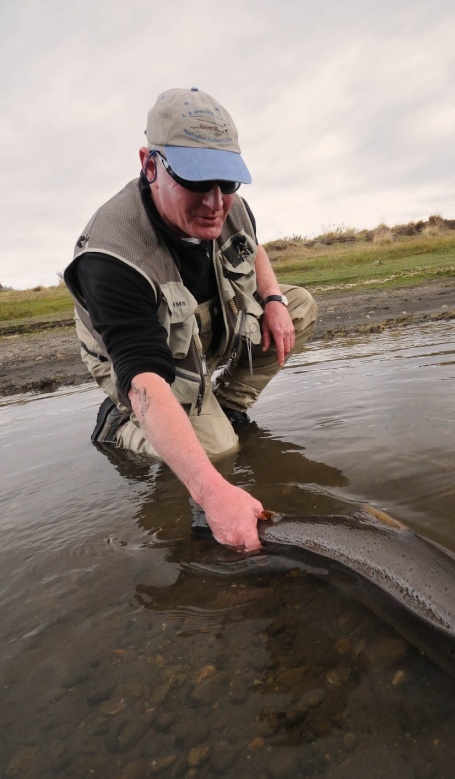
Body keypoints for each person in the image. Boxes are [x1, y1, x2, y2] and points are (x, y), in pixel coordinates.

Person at [64, 87, 317, 552]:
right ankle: (120, 427)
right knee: (217, 456)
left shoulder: (229, 206)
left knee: (300, 307)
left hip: (204, 328)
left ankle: (227, 406)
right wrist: (212, 492)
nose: (216, 202)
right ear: (149, 164)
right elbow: (143, 378)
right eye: (198, 182)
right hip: (141, 360)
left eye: (228, 182)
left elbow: (252, 245)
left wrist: (275, 300)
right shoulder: (111, 255)